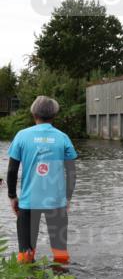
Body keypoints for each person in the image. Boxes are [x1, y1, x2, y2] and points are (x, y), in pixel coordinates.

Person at [7, 96, 77, 263]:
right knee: (60, 252)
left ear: (33, 113)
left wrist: (12, 196)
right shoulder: (63, 137)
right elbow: (72, 173)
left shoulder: (21, 136)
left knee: (26, 254)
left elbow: (12, 170)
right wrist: (67, 198)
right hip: (56, 202)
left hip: (28, 202)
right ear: (54, 115)